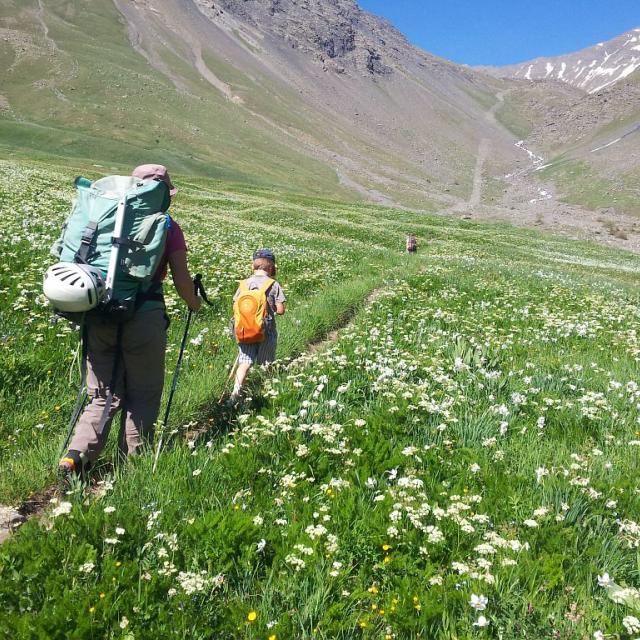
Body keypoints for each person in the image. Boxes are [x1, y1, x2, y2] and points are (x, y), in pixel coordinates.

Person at [59, 164, 201, 475]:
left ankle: (75, 457)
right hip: (144, 317)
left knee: (101, 394)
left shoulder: (107, 218)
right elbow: (181, 280)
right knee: (144, 392)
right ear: (163, 193)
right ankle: (132, 470)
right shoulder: (167, 226)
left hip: (99, 313)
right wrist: (196, 304)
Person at [229, 249, 286, 404]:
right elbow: (280, 311)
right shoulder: (273, 284)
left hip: (244, 330)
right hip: (266, 331)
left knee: (245, 362)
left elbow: (235, 305)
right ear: (271, 268)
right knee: (266, 364)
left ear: (253, 266)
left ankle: (235, 394)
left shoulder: (244, 283)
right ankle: (266, 393)